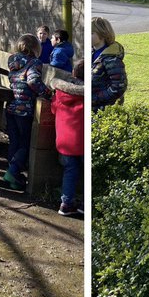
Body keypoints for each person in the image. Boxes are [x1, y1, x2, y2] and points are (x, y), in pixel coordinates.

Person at [2, 34, 48, 191]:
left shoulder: (13, 61)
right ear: (36, 48)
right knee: (25, 142)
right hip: (25, 109)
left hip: (11, 107)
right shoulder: (34, 62)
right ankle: (13, 171)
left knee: (14, 141)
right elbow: (33, 81)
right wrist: (48, 94)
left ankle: (12, 176)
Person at [50, 61, 84, 216]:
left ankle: (66, 203)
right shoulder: (84, 99)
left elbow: (53, 109)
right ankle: (85, 204)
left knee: (70, 171)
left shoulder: (61, 93)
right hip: (81, 143)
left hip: (64, 142)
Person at [90, 17, 127, 112]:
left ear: (102, 35)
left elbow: (118, 87)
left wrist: (94, 99)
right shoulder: (91, 53)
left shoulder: (112, 58)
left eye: (91, 33)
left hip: (103, 111)